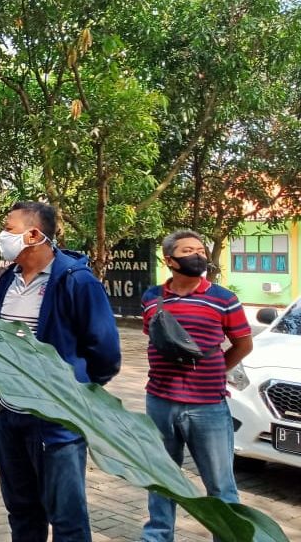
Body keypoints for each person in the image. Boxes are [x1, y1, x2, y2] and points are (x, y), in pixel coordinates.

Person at [0, 201, 121, 541]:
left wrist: (75, 394)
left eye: (10, 228)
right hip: (9, 416)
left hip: (56, 423)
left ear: (34, 235)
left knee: (67, 520)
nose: (3, 235)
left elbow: (106, 351)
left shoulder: (76, 281)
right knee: (22, 513)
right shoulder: (8, 279)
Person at [140, 230, 253, 542]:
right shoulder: (152, 298)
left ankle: (230, 537)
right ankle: (158, 536)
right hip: (159, 401)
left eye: (201, 250)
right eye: (189, 250)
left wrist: (216, 370)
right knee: (161, 477)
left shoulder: (223, 299)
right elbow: (153, 335)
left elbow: (243, 344)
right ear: (170, 260)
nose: (198, 256)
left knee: (220, 485)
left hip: (208, 406)